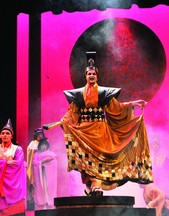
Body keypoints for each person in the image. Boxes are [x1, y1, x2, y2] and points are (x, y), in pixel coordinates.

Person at [44, 52, 153, 195]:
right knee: (86, 160)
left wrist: (133, 103)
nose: (91, 76)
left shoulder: (103, 93)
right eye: (89, 74)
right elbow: (72, 112)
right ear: (85, 76)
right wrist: (63, 121)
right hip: (84, 131)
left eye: (93, 74)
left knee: (99, 160)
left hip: (101, 131)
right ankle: (90, 185)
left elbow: (116, 107)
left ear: (97, 76)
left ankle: (96, 184)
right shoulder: (78, 95)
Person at [0, 119, 26, 216]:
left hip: (10, 184)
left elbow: (17, 164)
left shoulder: (17, 149)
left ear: (12, 136)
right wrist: (5, 162)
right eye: (3, 133)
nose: (5, 135)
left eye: (7, 133)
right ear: (0, 135)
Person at [32, 137, 57, 210]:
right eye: (42, 145)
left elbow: (53, 159)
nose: (44, 147)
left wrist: (42, 162)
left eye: (45, 145)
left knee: (48, 188)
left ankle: (49, 203)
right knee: (41, 189)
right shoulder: (36, 154)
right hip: (40, 176)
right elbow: (35, 163)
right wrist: (41, 163)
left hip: (48, 175)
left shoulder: (51, 153)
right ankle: (41, 205)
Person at [26, 128, 45, 209]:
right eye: (38, 135)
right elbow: (30, 151)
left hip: (42, 166)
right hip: (34, 166)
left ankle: (43, 201)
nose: (40, 136)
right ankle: (32, 201)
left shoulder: (45, 143)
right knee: (33, 183)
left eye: (41, 135)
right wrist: (37, 149)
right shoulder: (33, 143)